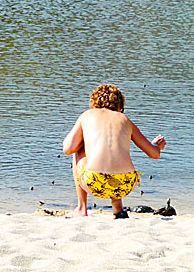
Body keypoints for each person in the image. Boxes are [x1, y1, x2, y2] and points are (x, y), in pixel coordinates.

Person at [62, 84, 166, 219]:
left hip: (95, 181)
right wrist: (158, 146)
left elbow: (68, 149)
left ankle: (82, 208)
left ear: (94, 102)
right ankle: (118, 209)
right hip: (125, 183)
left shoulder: (87, 115)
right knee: (117, 153)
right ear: (120, 105)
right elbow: (154, 154)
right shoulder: (125, 120)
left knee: (78, 150)